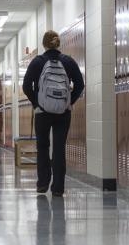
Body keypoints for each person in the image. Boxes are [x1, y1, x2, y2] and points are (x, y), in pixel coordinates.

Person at [22, 30, 85, 197]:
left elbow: (26, 86)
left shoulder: (37, 62)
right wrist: (68, 102)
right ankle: (58, 188)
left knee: (42, 147)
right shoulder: (68, 62)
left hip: (42, 112)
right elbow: (80, 85)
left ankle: (42, 184)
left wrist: (37, 103)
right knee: (59, 148)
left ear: (44, 44)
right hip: (63, 114)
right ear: (58, 44)